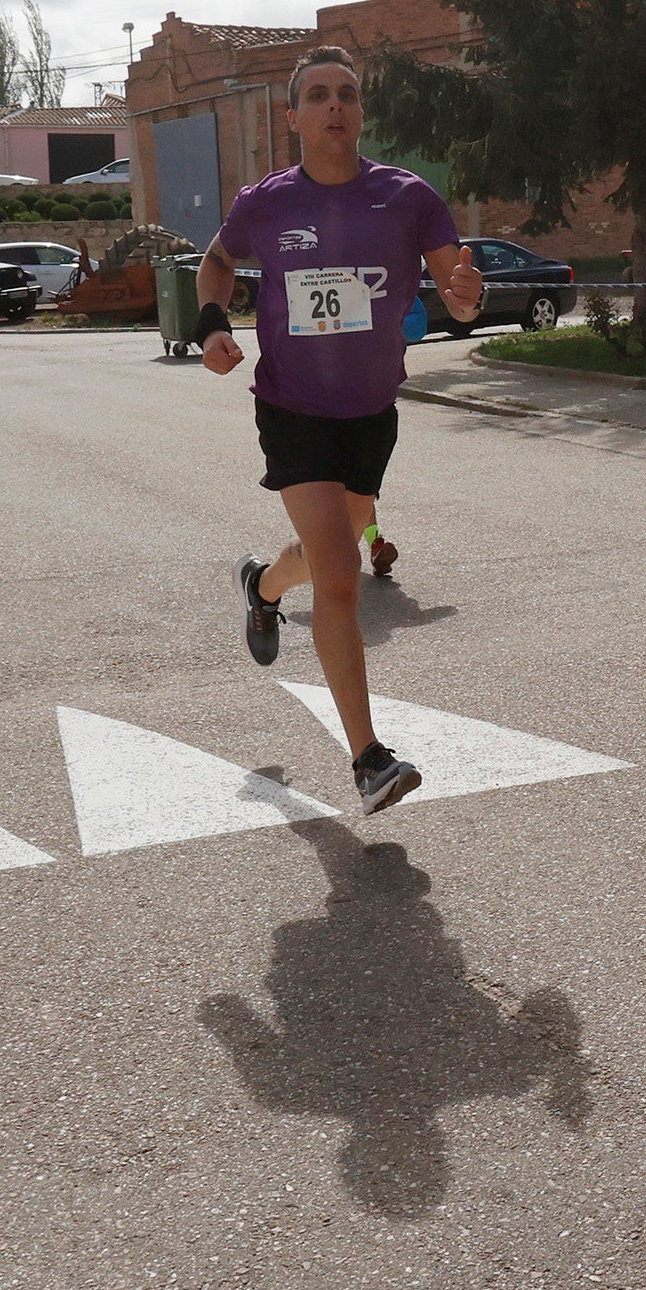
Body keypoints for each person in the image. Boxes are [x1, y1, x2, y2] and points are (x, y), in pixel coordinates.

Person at [195, 45, 483, 813]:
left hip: (371, 409)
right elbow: (215, 263)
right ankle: (368, 758)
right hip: (292, 407)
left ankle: (261, 585)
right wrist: (213, 325)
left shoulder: (408, 196)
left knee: (337, 546)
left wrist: (464, 297)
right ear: (293, 117)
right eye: (318, 95)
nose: (334, 106)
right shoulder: (266, 202)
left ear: (360, 112)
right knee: (342, 579)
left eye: (347, 95)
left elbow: (458, 290)